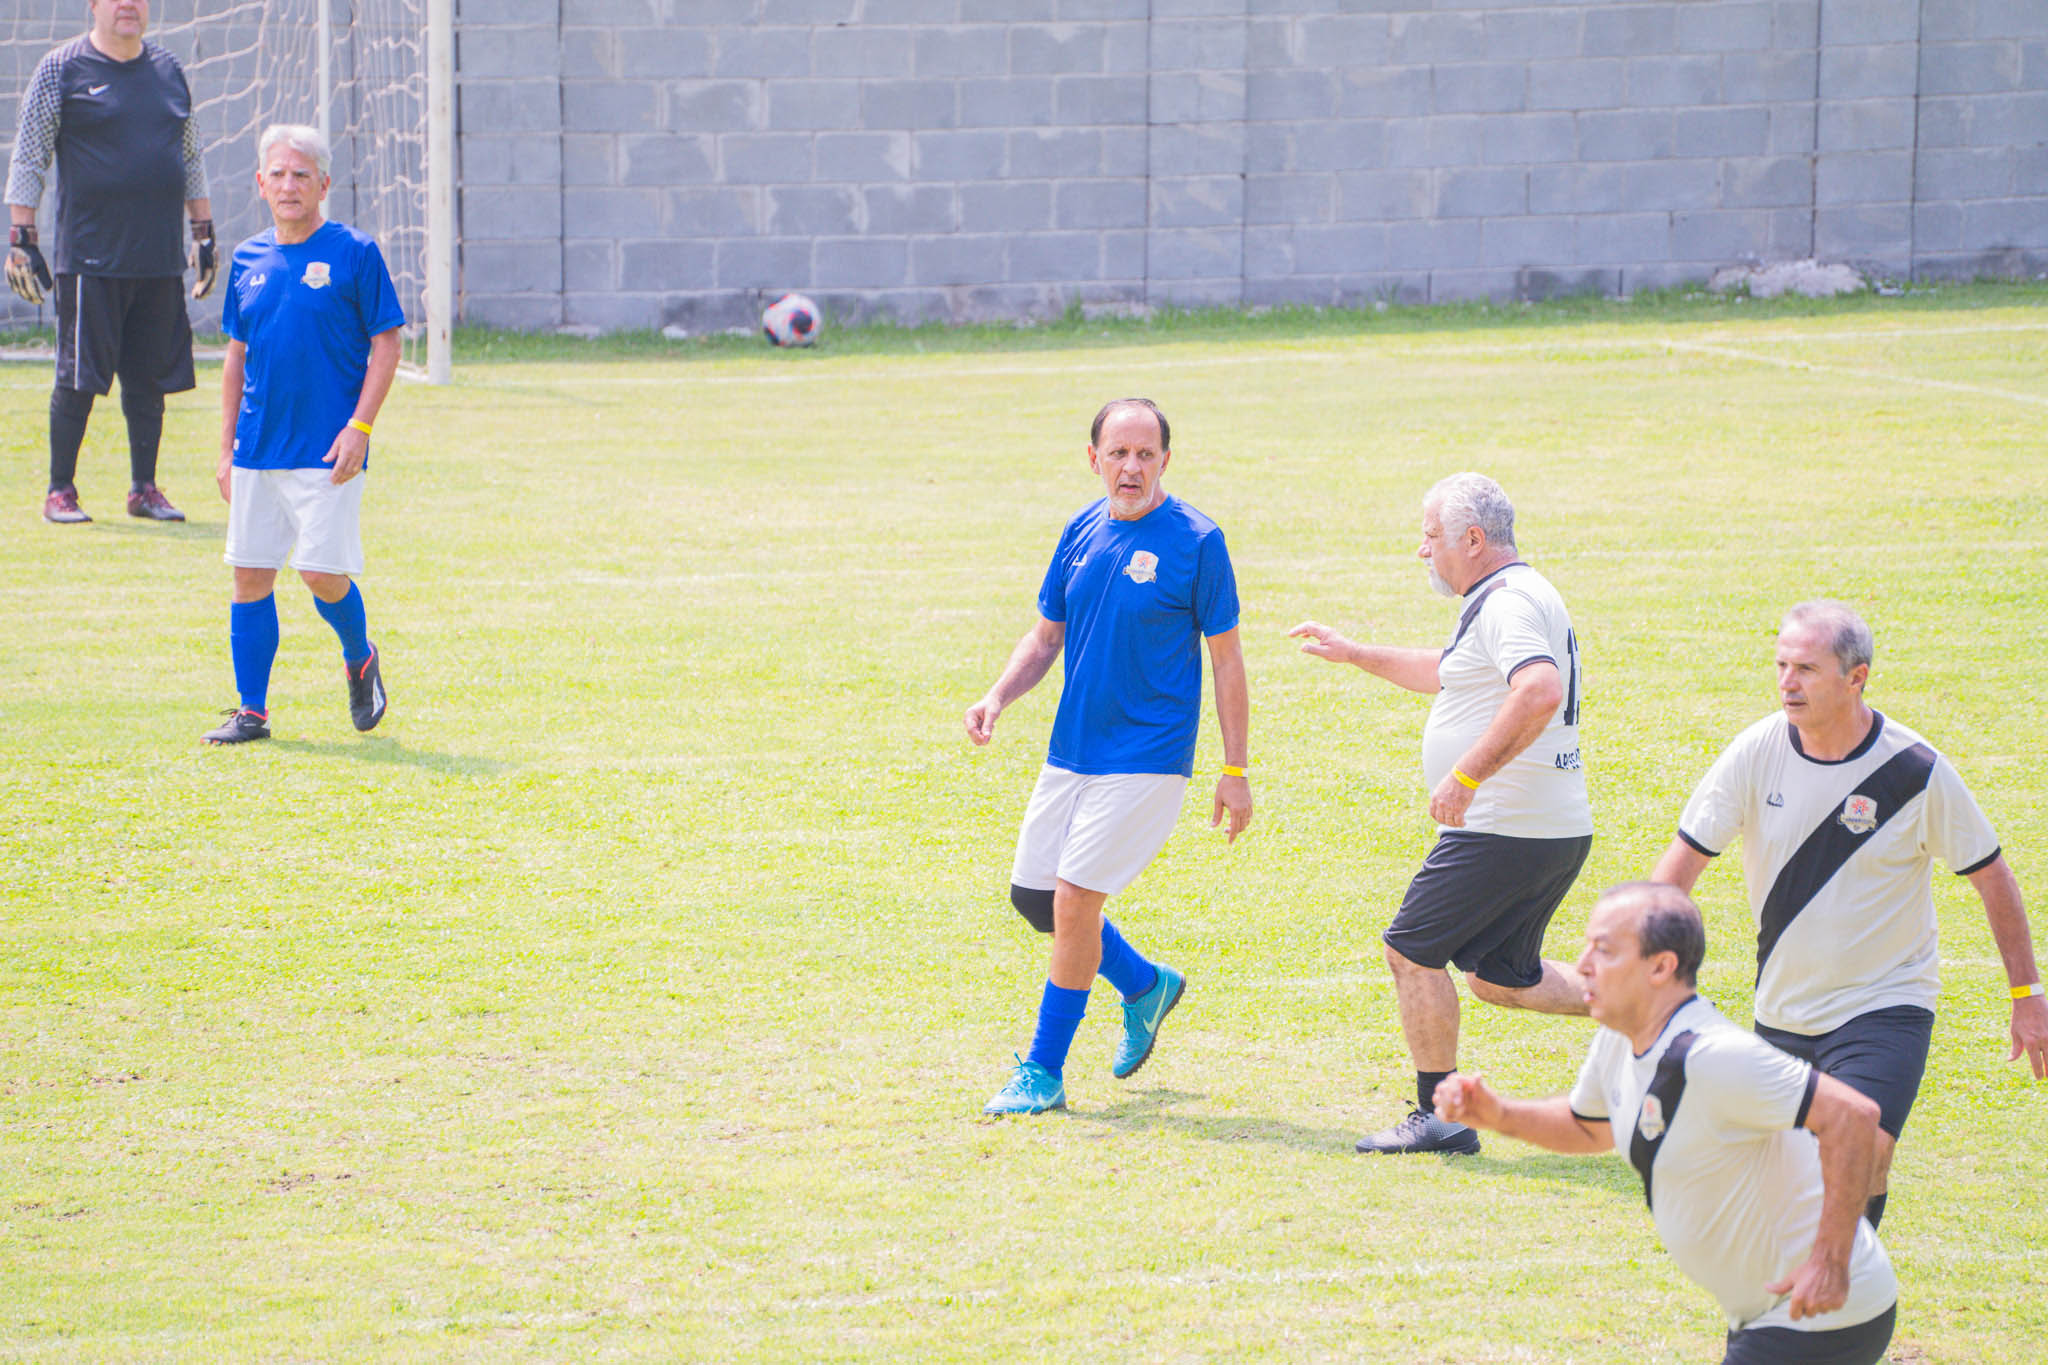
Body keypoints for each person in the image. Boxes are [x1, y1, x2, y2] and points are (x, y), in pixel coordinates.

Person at [1651, 599, 2047, 1228]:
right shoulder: (1755, 753)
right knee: (1789, 1186)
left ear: (1856, 677)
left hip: (1884, 1005)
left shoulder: (1913, 772)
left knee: (1863, 1149)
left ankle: (1839, 1276)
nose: (1787, 682)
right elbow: (1678, 871)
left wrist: (2027, 994)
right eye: (1782, 665)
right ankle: (1833, 1273)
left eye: (1806, 668)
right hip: (1784, 1010)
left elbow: (1991, 875)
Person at [1437, 882, 1898, 1365]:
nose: (1583, 964)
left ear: (1661, 967)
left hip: (1819, 1316)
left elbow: (1854, 1115)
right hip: (1765, 1314)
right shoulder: (1622, 1038)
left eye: (1605, 950)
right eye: (1588, 946)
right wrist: (1499, 1115)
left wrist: (1830, 1261)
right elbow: (1588, 1127)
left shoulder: (1712, 1055)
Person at [963, 397, 1251, 1115]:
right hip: (1073, 749)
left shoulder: (1198, 541)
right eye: (1118, 453)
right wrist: (998, 695)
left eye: (1146, 454)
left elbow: (1227, 661)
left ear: (1165, 461)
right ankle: (1145, 984)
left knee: (1073, 901)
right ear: (1094, 458)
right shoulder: (1080, 531)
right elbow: (1045, 638)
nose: (1131, 467)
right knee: (1036, 900)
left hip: (1148, 756)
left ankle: (1044, 1071)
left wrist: (1235, 769)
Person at [1291, 472, 1591, 1155]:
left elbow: (1539, 689)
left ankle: (1440, 1114)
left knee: (1411, 950)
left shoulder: (1508, 603)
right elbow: (1447, 671)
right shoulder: (1506, 596)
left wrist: (1466, 776)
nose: (1422, 550)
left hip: (1504, 826)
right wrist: (1355, 652)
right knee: (1500, 976)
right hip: (1543, 826)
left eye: (1432, 536)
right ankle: (1655, 1011)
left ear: (1474, 540)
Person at [202, 124, 403, 746]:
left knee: (318, 573)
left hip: (327, 449)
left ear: (323, 184)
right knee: (250, 575)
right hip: (258, 447)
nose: (289, 185)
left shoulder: (355, 252)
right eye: (278, 175)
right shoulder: (246, 259)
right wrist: (226, 449)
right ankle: (252, 712)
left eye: (301, 175)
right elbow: (236, 356)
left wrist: (360, 428)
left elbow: (387, 342)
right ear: (260, 184)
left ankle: (359, 656)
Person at [5, 0, 217, 525]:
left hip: (158, 257)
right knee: (77, 378)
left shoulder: (169, 69)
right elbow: (30, 154)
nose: (128, 5)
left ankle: (144, 489)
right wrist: (21, 237)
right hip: (90, 256)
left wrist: (203, 232)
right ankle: (60, 491)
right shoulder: (61, 68)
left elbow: (190, 154)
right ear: (94, 6)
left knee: (148, 380)